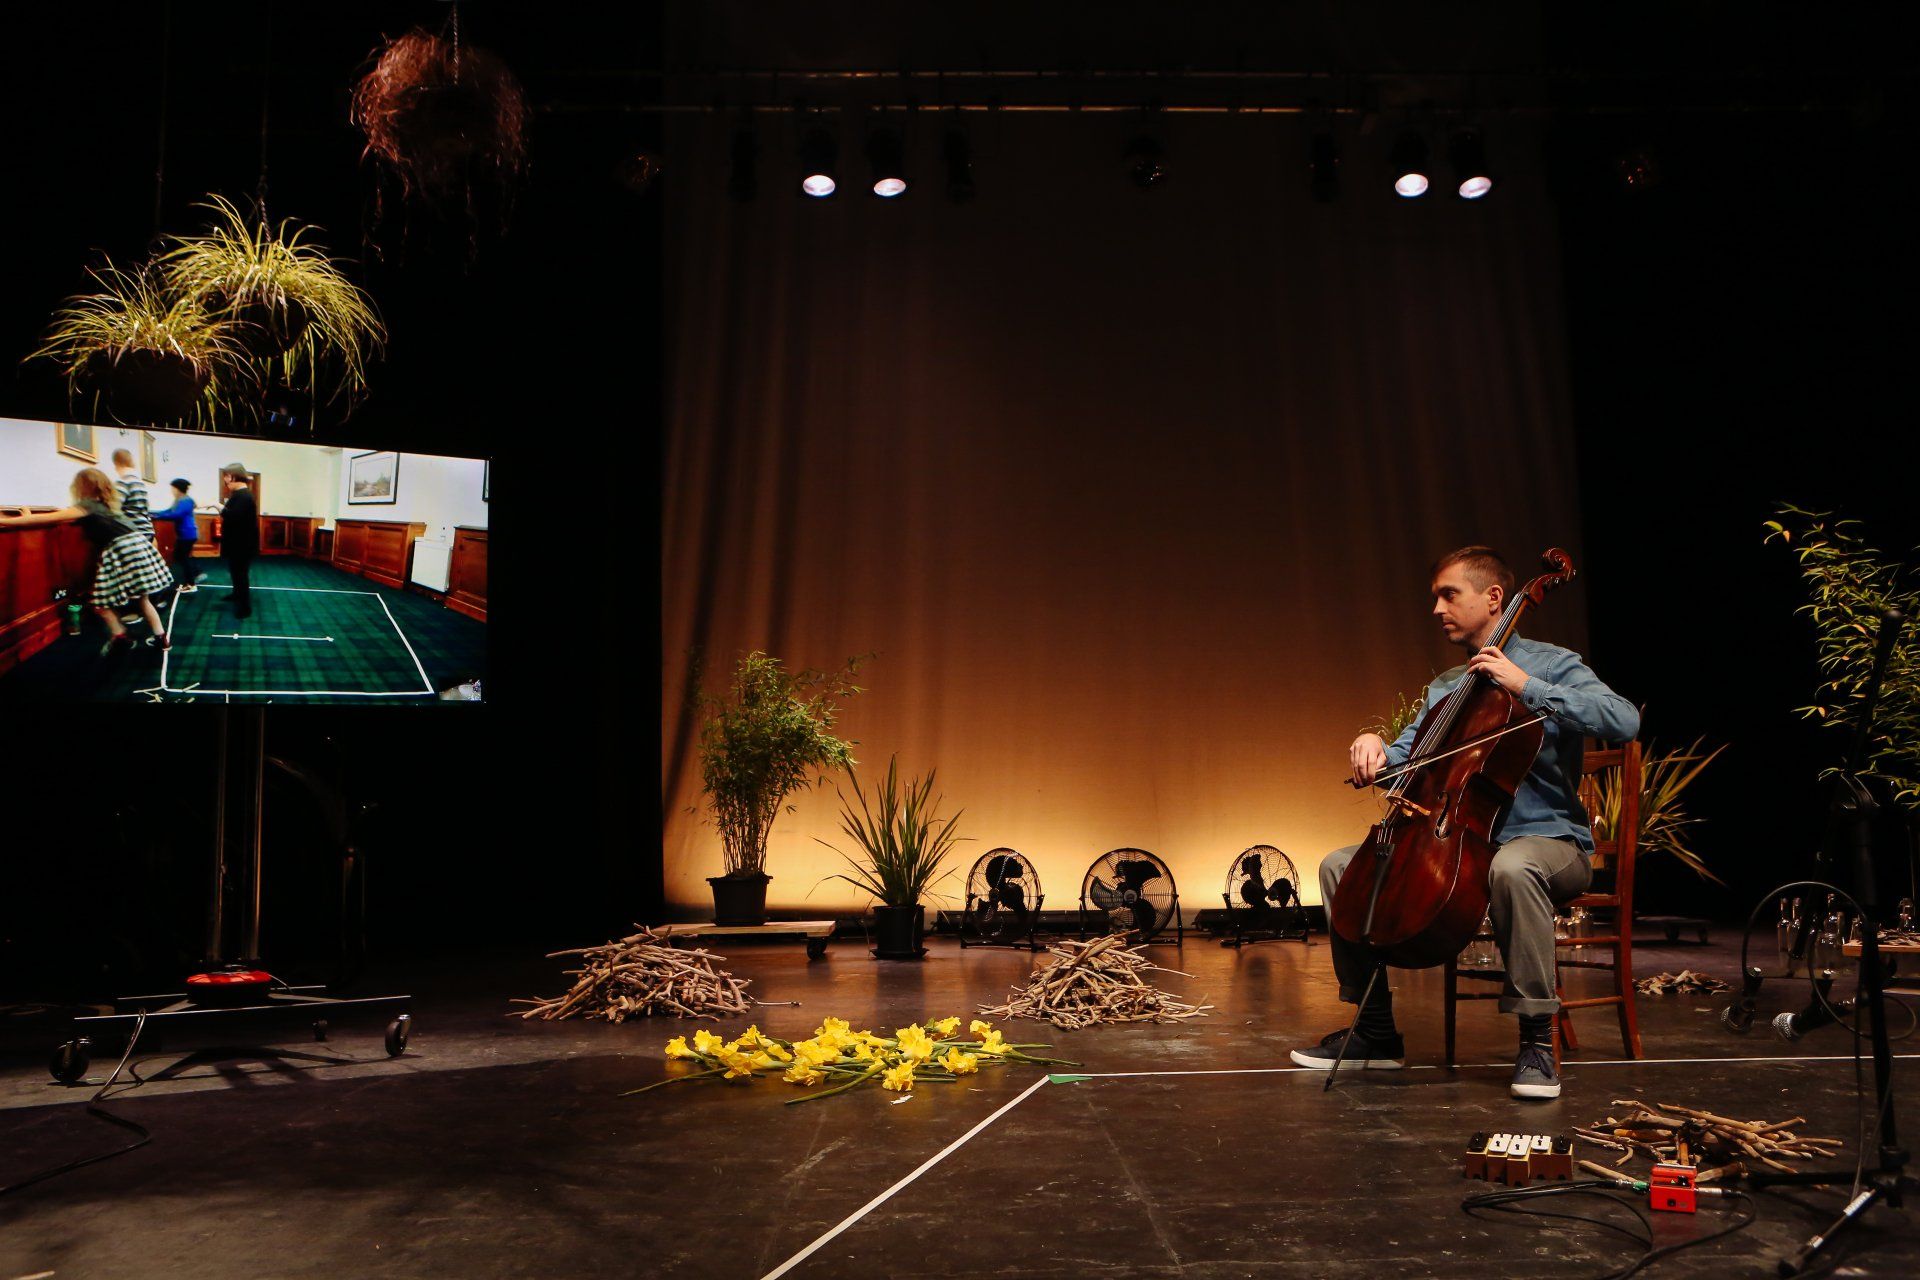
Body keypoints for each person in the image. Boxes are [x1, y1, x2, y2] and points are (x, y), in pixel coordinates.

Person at [1290, 546, 1639, 1100]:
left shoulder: (1551, 664)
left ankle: (1536, 1040)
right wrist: (1376, 747)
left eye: (1449, 594)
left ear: (1494, 597)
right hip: (1456, 846)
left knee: (1513, 866)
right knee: (1340, 866)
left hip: (1548, 844)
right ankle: (1377, 1033)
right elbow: (1408, 767)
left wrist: (1524, 686)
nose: (1436, 608)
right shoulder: (1447, 688)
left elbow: (1623, 719)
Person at [0, 467, 173, 654]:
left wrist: (8, 521)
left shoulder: (86, 507)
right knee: (142, 599)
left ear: (81, 487)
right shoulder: (106, 507)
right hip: (139, 546)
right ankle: (161, 638)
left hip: (122, 551)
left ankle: (120, 637)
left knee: (100, 602)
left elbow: (49, 518)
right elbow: (67, 514)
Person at [220, 462, 259, 619]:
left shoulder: (244, 496)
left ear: (234, 476)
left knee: (241, 574)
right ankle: (237, 594)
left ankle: (245, 607)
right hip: (237, 543)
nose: (226, 481)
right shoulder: (239, 495)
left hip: (243, 545)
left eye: (227, 477)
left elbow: (233, 517)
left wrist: (216, 506)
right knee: (235, 572)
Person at [150, 477, 201, 592]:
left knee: (183, 557)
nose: (171, 491)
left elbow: (177, 514)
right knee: (181, 556)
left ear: (178, 489)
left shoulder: (186, 501)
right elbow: (169, 510)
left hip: (188, 534)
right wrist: (154, 514)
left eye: (173, 488)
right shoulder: (179, 500)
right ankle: (197, 573)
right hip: (184, 534)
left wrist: (158, 517)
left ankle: (191, 584)